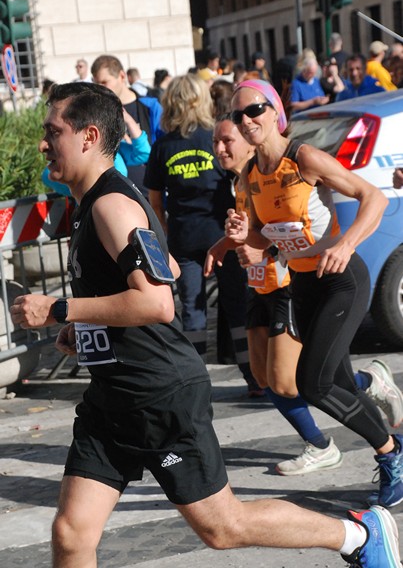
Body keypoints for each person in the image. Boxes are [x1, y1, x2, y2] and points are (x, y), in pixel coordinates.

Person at [10, 80, 401, 568]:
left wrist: (62, 310)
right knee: (71, 533)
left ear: (89, 136)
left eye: (53, 131)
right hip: (113, 399)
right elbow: (168, 269)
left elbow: (157, 304)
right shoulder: (93, 203)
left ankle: (358, 535)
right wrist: (88, 329)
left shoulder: (112, 204)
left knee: (223, 526)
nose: (44, 143)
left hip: (160, 395)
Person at [226, 79, 403, 510]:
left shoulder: (303, 157)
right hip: (302, 284)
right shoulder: (249, 177)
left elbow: (373, 197)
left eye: (255, 110)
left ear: (275, 112)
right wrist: (239, 236)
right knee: (338, 382)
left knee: (313, 382)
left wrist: (345, 245)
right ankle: (378, 392)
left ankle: (391, 453)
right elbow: (264, 237)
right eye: (237, 115)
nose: (247, 121)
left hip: (343, 280)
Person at [206, 114, 343, 475]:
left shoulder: (272, 174)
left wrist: (263, 252)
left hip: (285, 282)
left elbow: (284, 231)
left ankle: (322, 444)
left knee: (285, 380)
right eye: (216, 142)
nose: (219, 149)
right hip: (258, 284)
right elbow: (254, 231)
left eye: (226, 141)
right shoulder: (239, 182)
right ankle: (364, 388)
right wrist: (225, 243)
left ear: (251, 140)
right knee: (262, 377)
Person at [144, 74, 263, 396]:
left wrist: (166, 233)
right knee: (236, 306)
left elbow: (155, 201)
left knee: (193, 310)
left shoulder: (163, 146)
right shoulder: (219, 138)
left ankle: (197, 381)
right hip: (222, 234)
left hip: (184, 237)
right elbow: (241, 179)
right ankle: (252, 378)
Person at [91, 55, 163, 197]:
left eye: (104, 82)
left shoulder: (150, 107)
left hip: (151, 197)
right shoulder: (95, 114)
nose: (100, 89)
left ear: (122, 76)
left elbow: (162, 149)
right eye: (96, 84)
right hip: (114, 197)